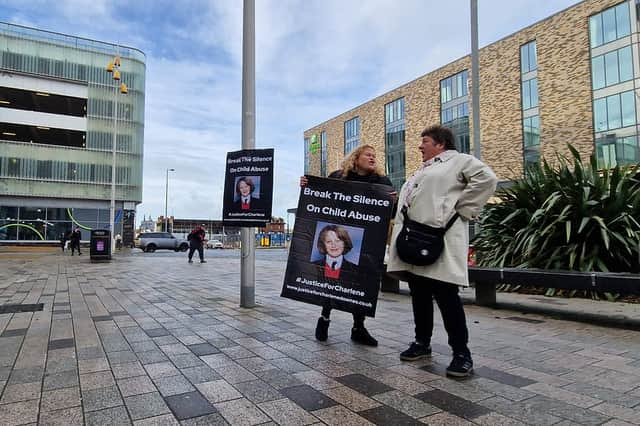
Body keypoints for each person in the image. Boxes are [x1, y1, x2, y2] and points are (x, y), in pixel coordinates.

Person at [387, 125, 497, 377]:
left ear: (440, 143)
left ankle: (461, 353)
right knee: (419, 295)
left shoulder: (459, 161)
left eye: (424, 141)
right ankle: (421, 343)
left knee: (448, 298)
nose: (419, 146)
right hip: (415, 240)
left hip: (441, 239)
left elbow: (487, 179)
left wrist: (463, 208)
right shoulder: (424, 169)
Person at [300, 144, 396, 347]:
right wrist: (307, 184)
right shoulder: (338, 176)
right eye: (368, 155)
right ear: (356, 157)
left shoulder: (381, 181)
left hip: (366, 241)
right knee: (331, 280)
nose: (372, 158)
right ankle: (324, 319)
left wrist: (392, 201)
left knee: (361, 282)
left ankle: (358, 327)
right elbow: (320, 195)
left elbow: (390, 211)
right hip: (338, 236)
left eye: (374, 155)